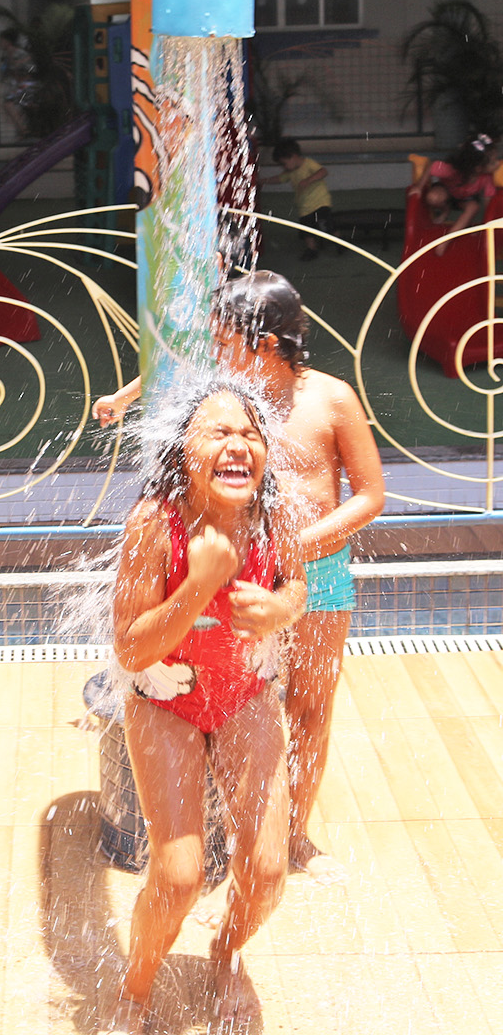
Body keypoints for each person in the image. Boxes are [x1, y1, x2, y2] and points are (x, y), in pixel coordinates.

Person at [95, 272, 385, 885]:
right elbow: (174, 377)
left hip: (316, 572)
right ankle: (235, 839)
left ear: (267, 344)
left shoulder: (330, 400)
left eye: (225, 341)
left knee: (310, 708)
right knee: (230, 698)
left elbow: (370, 497)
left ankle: (295, 837)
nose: (215, 352)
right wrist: (124, 398)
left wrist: (289, 550)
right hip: (232, 571)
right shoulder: (229, 403)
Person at [106, 379, 305, 1034]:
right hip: (165, 699)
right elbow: (131, 648)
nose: (237, 444)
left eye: (249, 434)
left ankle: (226, 952)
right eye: (218, 433)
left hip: (245, 692)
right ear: (183, 452)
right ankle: (135, 989)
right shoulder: (153, 523)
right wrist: (199, 585)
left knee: (268, 871)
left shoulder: (276, 512)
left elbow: (297, 587)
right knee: (178, 875)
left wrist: (278, 609)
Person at [411, 133, 500, 239]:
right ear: (478, 168)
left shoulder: (487, 177)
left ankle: (449, 237)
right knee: (432, 197)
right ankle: (446, 210)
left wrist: (486, 225)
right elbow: (433, 167)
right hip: (447, 192)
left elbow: (488, 203)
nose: (498, 163)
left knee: (473, 207)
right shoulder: (452, 170)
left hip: (466, 199)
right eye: (493, 162)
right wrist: (419, 187)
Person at [259, 138, 332, 261]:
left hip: (320, 202)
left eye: (284, 163)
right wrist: (263, 181)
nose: (284, 167)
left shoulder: (308, 164)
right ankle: (312, 249)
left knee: (327, 224)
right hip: (304, 206)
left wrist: (308, 180)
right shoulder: (290, 171)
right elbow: (279, 179)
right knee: (306, 229)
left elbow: (323, 171)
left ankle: (338, 240)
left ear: (293, 156)